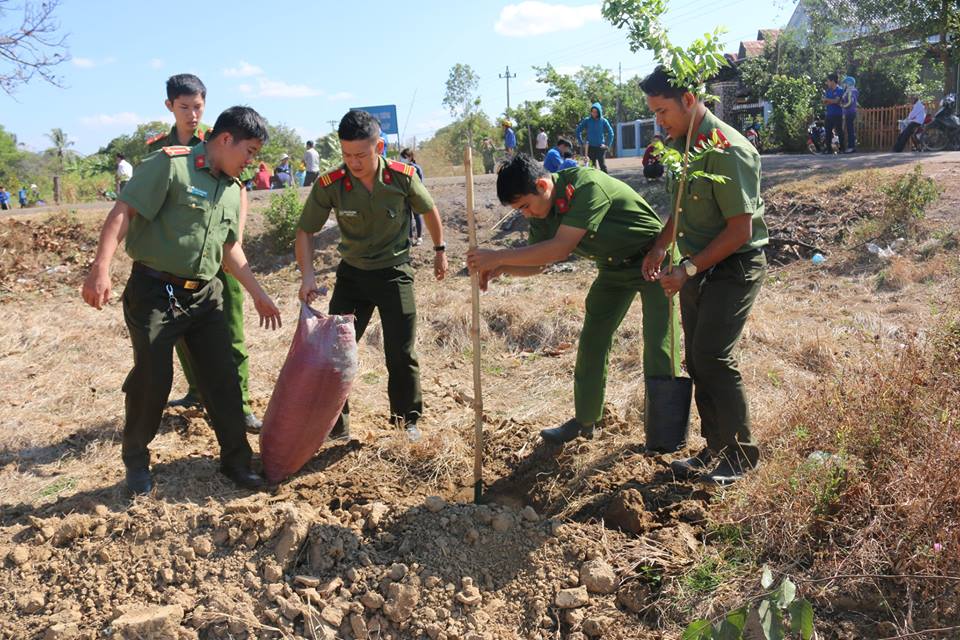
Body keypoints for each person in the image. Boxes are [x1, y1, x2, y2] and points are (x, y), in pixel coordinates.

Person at [81, 106, 282, 494]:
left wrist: (258, 293)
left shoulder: (230, 187)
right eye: (250, 151)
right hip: (157, 291)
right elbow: (124, 211)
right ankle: (136, 462)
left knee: (223, 379)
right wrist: (100, 268)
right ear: (226, 140)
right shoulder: (171, 165)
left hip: (205, 295)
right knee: (154, 377)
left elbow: (228, 247)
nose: (252, 161)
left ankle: (236, 464)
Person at [466, 154, 678, 443]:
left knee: (658, 345)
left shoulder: (585, 187)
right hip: (613, 268)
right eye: (519, 211)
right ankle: (586, 421)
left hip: (652, 258)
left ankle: (664, 436)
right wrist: (501, 269)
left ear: (542, 185)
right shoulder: (543, 212)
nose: (525, 215)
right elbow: (539, 263)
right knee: (592, 341)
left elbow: (559, 249)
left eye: (525, 206)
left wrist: (499, 255)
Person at [639, 65, 769, 485]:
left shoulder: (727, 149)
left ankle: (741, 457)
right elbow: (683, 209)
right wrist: (662, 244)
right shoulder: (684, 149)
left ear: (689, 101)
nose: (659, 122)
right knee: (696, 359)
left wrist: (688, 268)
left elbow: (739, 230)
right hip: (694, 267)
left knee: (714, 355)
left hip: (732, 265)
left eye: (662, 112)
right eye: (654, 114)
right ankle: (715, 450)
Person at [295, 110, 448, 442]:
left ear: (379, 146)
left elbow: (428, 209)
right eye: (347, 155)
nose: (354, 162)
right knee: (334, 351)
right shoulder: (331, 184)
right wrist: (307, 276)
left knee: (400, 351)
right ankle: (336, 425)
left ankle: (406, 422)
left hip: (394, 274)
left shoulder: (402, 177)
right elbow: (305, 231)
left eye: (361, 155)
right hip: (352, 277)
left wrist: (440, 250)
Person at [149, 74, 263, 433]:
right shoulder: (160, 149)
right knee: (182, 332)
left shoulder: (219, 142)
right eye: (184, 107)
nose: (192, 114)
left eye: (198, 107)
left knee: (230, 332)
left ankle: (240, 403)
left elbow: (237, 190)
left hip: (218, 256)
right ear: (170, 107)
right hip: (180, 260)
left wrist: (235, 238)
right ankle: (198, 391)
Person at [576, 102, 615, 173]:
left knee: (602, 166)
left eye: (596, 112)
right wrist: (581, 143)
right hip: (590, 147)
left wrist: (607, 145)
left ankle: (605, 182)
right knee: (592, 167)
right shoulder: (587, 120)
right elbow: (578, 131)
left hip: (600, 147)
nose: (594, 114)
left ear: (599, 112)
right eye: (592, 112)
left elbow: (611, 133)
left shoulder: (603, 121)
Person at [400, 147, 425, 246]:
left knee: (417, 216)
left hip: (415, 196)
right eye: (401, 157)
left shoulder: (416, 168)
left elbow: (420, 183)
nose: (402, 159)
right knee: (407, 217)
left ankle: (419, 237)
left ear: (410, 157)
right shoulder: (400, 167)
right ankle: (409, 238)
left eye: (404, 157)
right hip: (405, 197)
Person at [822, 73, 845, 154]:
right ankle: (829, 149)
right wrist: (831, 101)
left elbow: (837, 101)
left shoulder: (840, 90)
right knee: (827, 132)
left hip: (837, 114)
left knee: (839, 131)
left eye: (828, 81)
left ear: (832, 81)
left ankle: (842, 149)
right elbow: (825, 103)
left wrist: (828, 100)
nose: (827, 83)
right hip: (829, 114)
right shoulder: (828, 91)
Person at [841, 76, 858, 154]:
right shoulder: (852, 90)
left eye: (845, 83)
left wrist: (843, 106)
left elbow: (850, 102)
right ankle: (851, 146)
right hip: (851, 112)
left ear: (849, 83)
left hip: (849, 112)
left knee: (850, 129)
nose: (844, 85)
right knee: (850, 129)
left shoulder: (850, 90)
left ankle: (851, 147)